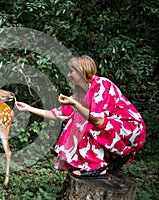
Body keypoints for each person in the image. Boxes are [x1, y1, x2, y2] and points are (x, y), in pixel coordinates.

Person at [15, 55, 146, 179]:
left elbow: (98, 121)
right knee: (80, 119)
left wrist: (75, 105)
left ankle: (97, 167)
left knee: (84, 123)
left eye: (71, 71)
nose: (68, 75)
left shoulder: (101, 85)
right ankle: (114, 159)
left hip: (132, 130)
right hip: (116, 131)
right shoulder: (80, 94)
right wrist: (28, 108)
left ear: (81, 71)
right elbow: (58, 114)